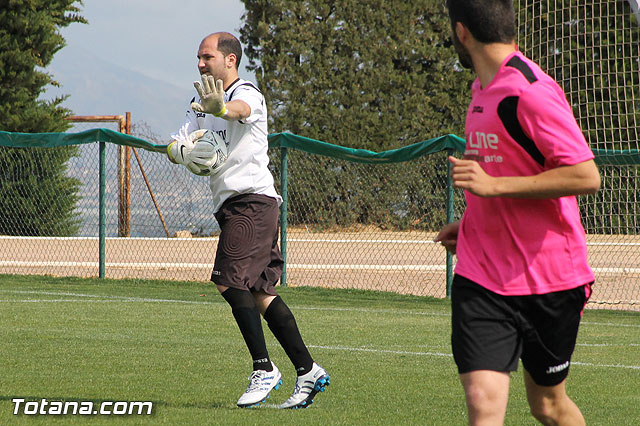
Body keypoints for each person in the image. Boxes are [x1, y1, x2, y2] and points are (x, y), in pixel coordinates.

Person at [435, 1, 601, 425]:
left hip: (550, 279)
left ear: (462, 32)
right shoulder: (479, 91)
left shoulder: (530, 90)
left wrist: (493, 188)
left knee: (548, 406)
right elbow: (500, 172)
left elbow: (585, 175)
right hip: (482, 275)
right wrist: (473, 223)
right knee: (481, 401)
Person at [169, 32, 329, 409]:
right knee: (260, 293)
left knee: (227, 281)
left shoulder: (248, 92)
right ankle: (308, 371)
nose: (200, 63)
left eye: (207, 56)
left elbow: (239, 111)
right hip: (232, 207)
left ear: (230, 60)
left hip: (252, 202)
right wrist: (183, 151)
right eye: (198, 57)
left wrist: (219, 109)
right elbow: (175, 142)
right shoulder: (198, 102)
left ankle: (264, 369)